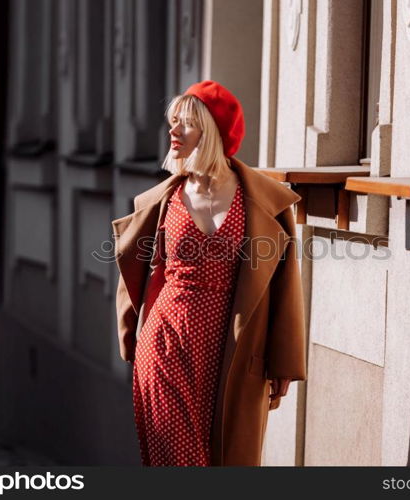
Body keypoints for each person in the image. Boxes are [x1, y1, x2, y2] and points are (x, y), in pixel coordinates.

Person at [112, 80, 306, 466]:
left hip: (235, 349)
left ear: (213, 131)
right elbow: (137, 271)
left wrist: (284, 360)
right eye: (172, 122)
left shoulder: (263, 200)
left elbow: (285, 286)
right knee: (177, 460)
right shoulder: (165, 198)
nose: (173, 131)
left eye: (185, 122)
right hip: (165, 343)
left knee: (229, 458)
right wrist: (130, 332)